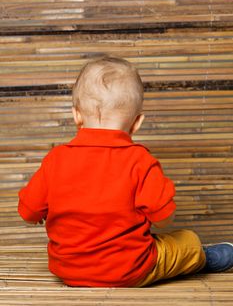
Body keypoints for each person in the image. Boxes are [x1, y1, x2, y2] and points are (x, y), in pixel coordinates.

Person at [18, 55, 233, 287]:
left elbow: (28, 213)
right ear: (137, 122)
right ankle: (204, 258)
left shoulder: (55, 159)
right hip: (129, 270)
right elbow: (163, 219)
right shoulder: (141, 161)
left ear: (76, 115)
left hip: (69, 270)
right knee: (185, 241)